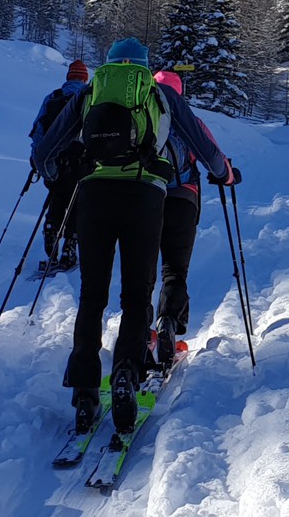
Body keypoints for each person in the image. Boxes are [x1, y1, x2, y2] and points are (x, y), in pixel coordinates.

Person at [32, 38, 229, 435]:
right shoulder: (159, 94)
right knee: (137, 293)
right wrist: (223, 172)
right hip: (145, 197)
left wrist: (55, 175)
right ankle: (126, 374)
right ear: (143, 64)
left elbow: (45, 150)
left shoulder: (90, 90)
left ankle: (86, 389)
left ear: (109, 65)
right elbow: (201, 143)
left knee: (92, 294)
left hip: (94, 196)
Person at [150, 68, 236, 368]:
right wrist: (227, 176)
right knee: (174, 270)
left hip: (146, 199)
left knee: (143, 268)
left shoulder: (144, 116)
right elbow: (213, 156)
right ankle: (167, 323)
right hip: (182, 200)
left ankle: (137, 332)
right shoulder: (187, 118)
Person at [27, 60, 89, 271]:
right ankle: (70, 244)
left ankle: (52, 228)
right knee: (76, 201)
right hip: (80, 159)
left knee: (57, 195)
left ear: (68, 77)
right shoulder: (89, 97)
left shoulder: (53, 97)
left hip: (53, 158)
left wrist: (36, 156)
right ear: (85, 78)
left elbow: (39, 128)